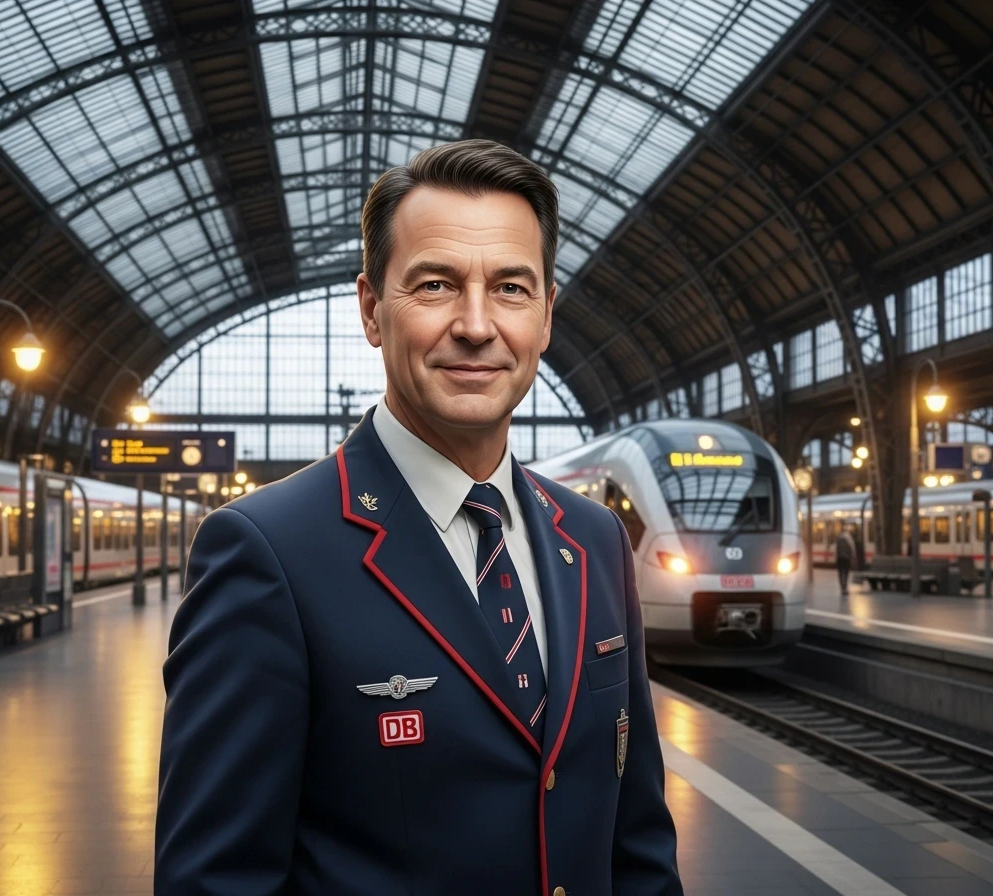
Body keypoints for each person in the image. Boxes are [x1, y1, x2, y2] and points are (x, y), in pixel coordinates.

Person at [155, 140, 682, 896]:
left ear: (546, 315)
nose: (476, 324)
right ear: (372, 310)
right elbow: (215, 882)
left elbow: (637, 843)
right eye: (436, 285)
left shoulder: (593, 539)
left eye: (510, 287)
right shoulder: (266, 552)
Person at [834, 527, 855, 596]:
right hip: (846, 558)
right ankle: (845, 588)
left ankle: (842, 587)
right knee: (845, 573)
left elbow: (836, 550)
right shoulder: (849, 538)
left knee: (840, 573)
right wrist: (853, 558)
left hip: (839, 558)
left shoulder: (839, 538)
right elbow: (852, 549)